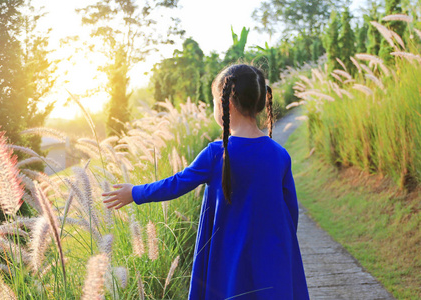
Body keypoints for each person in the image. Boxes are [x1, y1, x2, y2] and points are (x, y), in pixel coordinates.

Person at [103, 64, 310, 299]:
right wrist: (281, 246)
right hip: (272, 254)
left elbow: (177, 183)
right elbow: (290, 211)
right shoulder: (280, 154)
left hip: (228, 255)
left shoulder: (215, 153)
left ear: (227, 104)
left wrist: (135, 193)